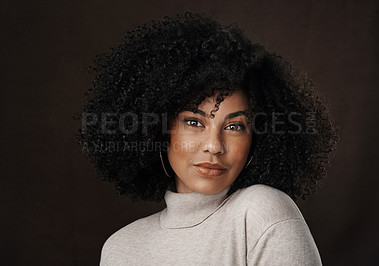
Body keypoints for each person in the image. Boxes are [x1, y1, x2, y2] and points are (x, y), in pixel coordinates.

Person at [75, 11, 338, 265]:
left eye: (235, 127)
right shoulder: (120, 248)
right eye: (194, 122)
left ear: (257, 138)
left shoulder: (262, 213)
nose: (214, 146)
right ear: (159, 130)